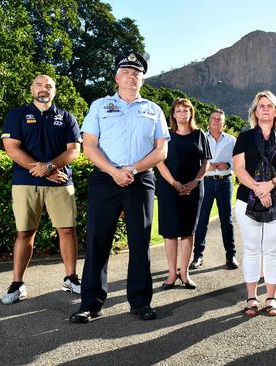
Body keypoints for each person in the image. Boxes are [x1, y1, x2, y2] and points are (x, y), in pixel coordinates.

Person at [70, 52, 169, 323]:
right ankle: (90, 304)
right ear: (116, 78)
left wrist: (133, 170)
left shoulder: (154, 109)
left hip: (141, 180)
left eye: (136, 73)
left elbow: (161, 150)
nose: (131, 76)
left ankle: (139, 302)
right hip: (105, 179)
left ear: (142, 80)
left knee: (140, 242)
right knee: (97, 241)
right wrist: (114, 171)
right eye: (126, 72)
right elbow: (89, 145)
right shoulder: (100, 106)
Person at [0, 74, 82, 304]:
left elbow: (74, 151)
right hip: (26, 182)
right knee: (25, 233)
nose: (43, 89)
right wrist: (40, 169)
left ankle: (71, 278)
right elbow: (11, 147)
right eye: (39, 84)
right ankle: (17, 284)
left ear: (54, 91)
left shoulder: (66, 117)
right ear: (31, 88)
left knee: (67, 230)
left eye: (49, 86)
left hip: (60, 182)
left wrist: (49, 166)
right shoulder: (17, 114)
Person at [233, 90, 276, 317]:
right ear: (255, 112)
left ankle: (271, 297)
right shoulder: (245, 137)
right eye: (261, 106)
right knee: (250, 250)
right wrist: (259, 189)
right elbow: (239, 169)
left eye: (270, 105)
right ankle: (251, 298)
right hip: (247, 200)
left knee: (272, 250)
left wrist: (270, 185)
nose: (265, 109)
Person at [157, 98, 211, 290]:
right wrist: (174, 183)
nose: (182, 113)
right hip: (169, 188)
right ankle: (171, 275)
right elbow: (159, 161)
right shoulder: (165, 135)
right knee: (171, 232)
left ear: (191, 113)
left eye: (185, 110)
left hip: (194, 189)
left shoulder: (199, 135)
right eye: (178, 110)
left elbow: (206, 162)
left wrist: (195, 182)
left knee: (188, 232)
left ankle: (185, 274)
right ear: (173, 114)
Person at [190, 109, 238, 270]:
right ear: (209, 121)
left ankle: (231, 255)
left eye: (220, 119)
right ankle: (198, 256)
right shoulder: (201, 138)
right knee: (202, 220)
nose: (217, 121)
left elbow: (237, 160)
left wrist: (229, 164)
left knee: (227, 220)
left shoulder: (232, 140)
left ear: (224, 123)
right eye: (214, 118)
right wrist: (206, 166)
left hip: (225, 182)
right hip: (206, 182)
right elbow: (194, 159)